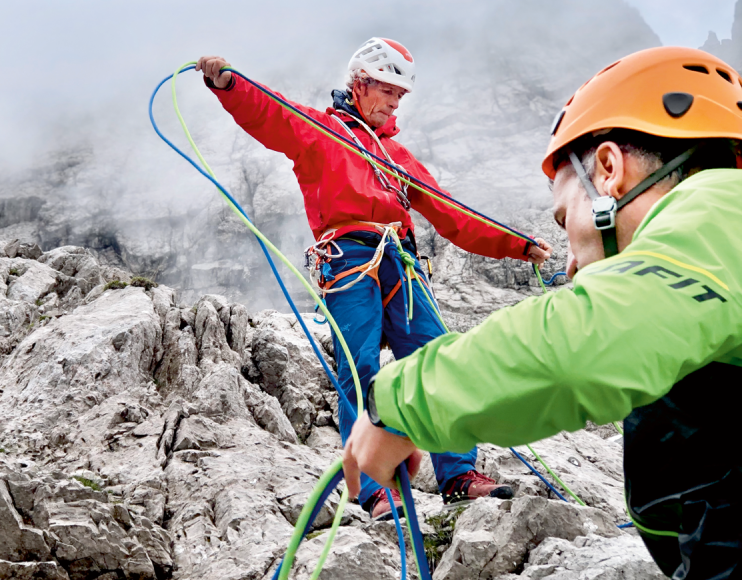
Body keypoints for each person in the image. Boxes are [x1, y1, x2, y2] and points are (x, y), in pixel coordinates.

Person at [341, 45, 742, 577]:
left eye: (562, 220)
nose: (571, 265)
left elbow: (594, 339)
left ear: (608, 170)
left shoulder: (722, 207)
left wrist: (400, 404)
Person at [197, 37, 552, 519]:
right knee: (359, 366)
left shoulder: (398, 157)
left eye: (401, 96)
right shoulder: (322, 131)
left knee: (438, 360)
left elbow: (452, 214)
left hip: (400, 262)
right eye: (388, 90)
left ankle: (458, 475)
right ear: (360, 84)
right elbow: (273, 114)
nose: (394, 102)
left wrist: (515, 243)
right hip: (347, 259)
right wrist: (229, 84)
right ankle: (372, 487)